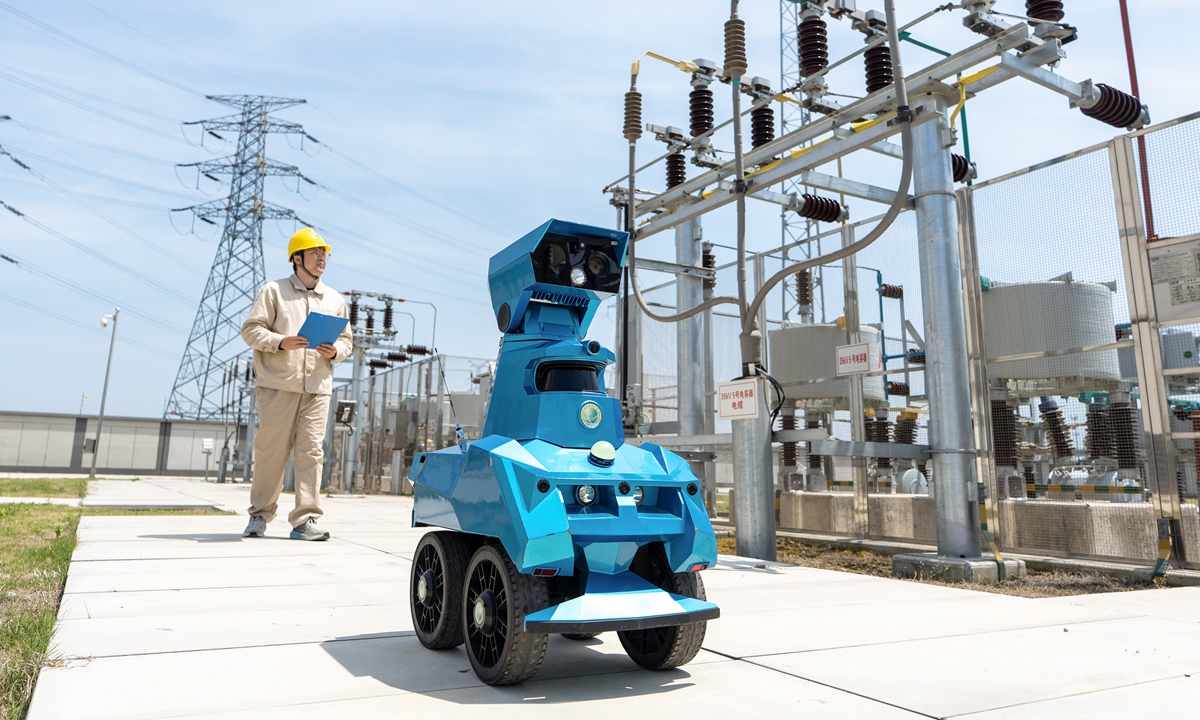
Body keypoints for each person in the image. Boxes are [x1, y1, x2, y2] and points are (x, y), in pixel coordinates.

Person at [240, 228, 353, 540]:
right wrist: (281, 342)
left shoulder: (335, 300)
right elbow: (251, 331)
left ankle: (305, 520)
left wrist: (337, 351)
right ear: (297, 258)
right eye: (315, 253)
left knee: (311, 452)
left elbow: (346, 341)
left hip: (317, 387)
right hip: (279, 385)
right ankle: (260, 516)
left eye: (324, 254)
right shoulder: (273, 292)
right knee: (271, 452)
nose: (322, 258)